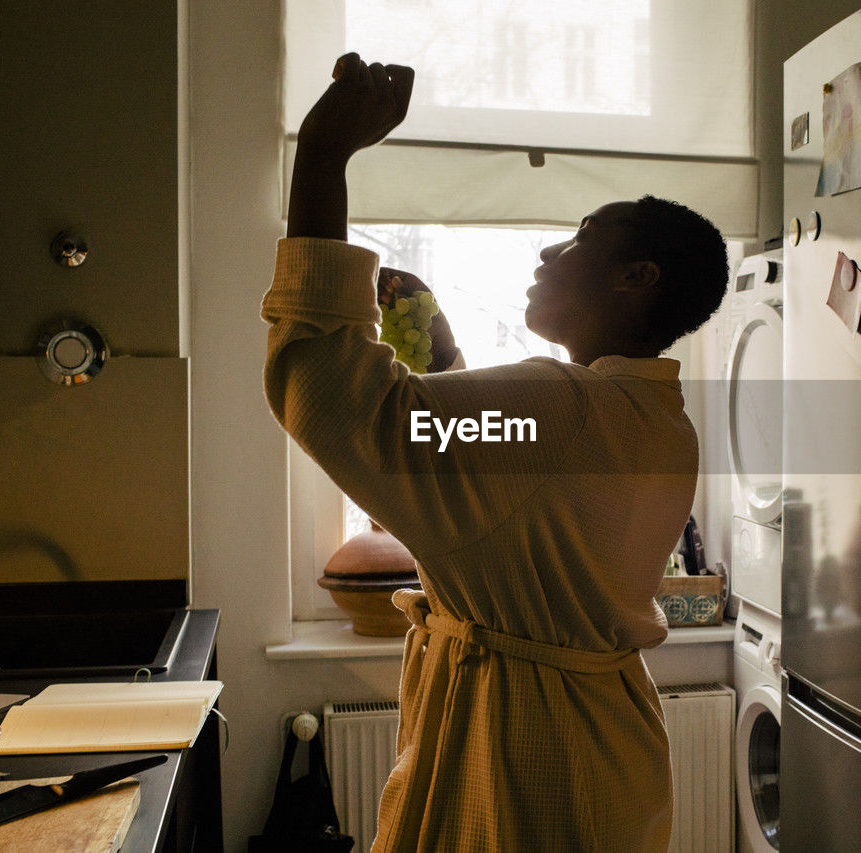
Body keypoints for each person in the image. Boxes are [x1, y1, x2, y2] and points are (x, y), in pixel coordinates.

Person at [262, 52, 729, 852]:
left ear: (637, 278)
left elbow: (328, 390)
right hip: (600, 749)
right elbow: (521, 506)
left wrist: (322, 154)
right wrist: (447, 374)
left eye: (583, 237)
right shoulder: (654, 415)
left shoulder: (568, 408)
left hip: (525, 763)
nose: (550, 253)